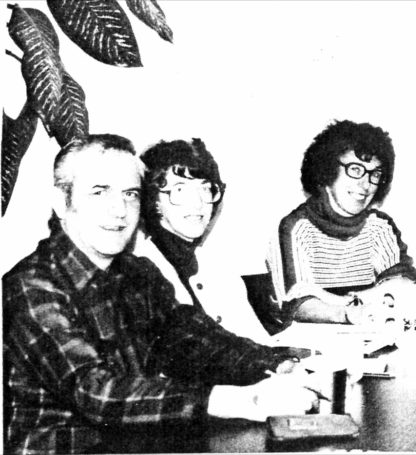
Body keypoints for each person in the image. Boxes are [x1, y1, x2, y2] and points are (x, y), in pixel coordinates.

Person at [3, 135, 320, 454]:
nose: (119, 210)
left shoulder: (137, 274)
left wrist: (282, 364)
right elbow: (97, 393)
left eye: (130, 194)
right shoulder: (31, 286)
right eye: (100, 192)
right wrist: (243, 399)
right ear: (61, 201)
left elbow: (198, 341)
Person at [267, 120, 416, 326]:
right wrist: (347, 313)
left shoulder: (380, 226)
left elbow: (404, 284)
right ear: (327, 171)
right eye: (355, 169)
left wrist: (344, 300)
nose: (366, 184)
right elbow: (298, 304)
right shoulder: (296, 227)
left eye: (375, 174)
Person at [131, 138, 271, 342]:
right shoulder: (140, 270)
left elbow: (258, 341)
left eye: (205, 188)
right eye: (180, 189)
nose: (197, 203)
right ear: (153, 200)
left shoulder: (217, 265)